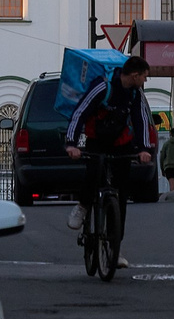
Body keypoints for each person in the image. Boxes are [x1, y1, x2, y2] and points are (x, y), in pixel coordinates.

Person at [63, 56, 157, 269]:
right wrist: (71, 144)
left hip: (121, 143)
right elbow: (79, 113)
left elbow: (141, 120)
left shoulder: (135, 94)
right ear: (135, 75)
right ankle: (83, 206)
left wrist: (144, 149)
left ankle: (115, 247)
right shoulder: (103, 87)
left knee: (121, 195)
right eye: (144, 77)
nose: (145, 81)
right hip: (97, 140)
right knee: (93, 173)